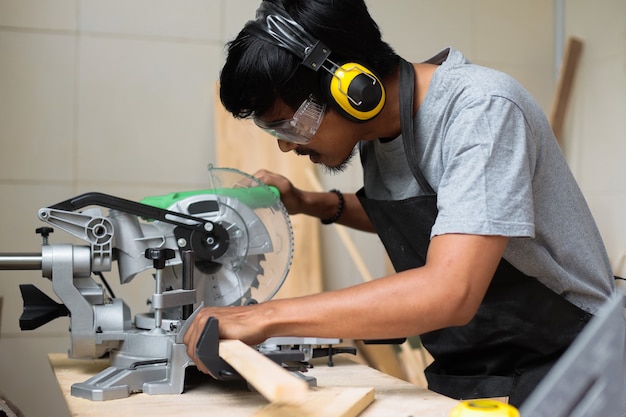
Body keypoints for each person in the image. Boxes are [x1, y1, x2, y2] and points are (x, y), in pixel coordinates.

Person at [184, 0, 621, 407]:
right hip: (476, 372)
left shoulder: (480, 110)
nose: (286, 148)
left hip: (569, 367)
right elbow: (431, 221)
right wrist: (306, 202)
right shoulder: (380, 133)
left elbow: (450, 289)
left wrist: (267, 318)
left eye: (292, 126)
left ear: (351, 87)